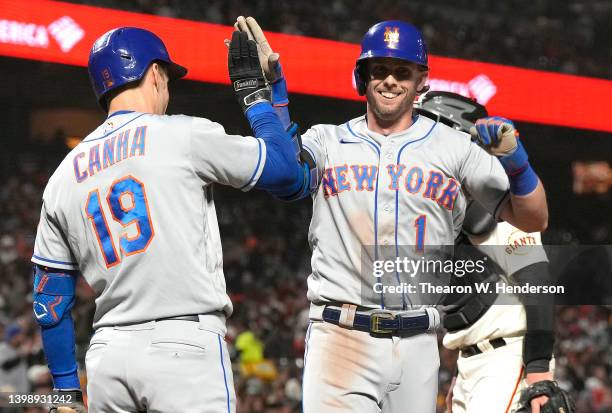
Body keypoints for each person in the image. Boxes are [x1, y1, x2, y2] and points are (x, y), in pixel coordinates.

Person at [236, 18, 548, 413]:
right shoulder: (326, 140)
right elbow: (284, 179)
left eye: (403, 72)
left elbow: (534, 219)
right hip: (341, 335)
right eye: (379, 70)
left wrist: (517, 162)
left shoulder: (455, 148)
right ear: (361, 78)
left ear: (422, 82)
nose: (390, 81)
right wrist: (271, 99)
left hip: (419, 342)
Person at [31, 27, 302, 413]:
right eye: (167, 79)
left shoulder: (61, 177)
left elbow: (50, 300)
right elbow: (284, 172)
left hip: (107, 358)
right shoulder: (182, 134)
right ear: (155, 73)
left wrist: (67, 392)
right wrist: (259, 96)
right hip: (182, 348)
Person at [412, 91, 561, 413]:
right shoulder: (444, 207)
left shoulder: (493, 203)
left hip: (509, 358)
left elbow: (538, 284)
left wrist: (538, 371)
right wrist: (459, 376)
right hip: (471, 362)